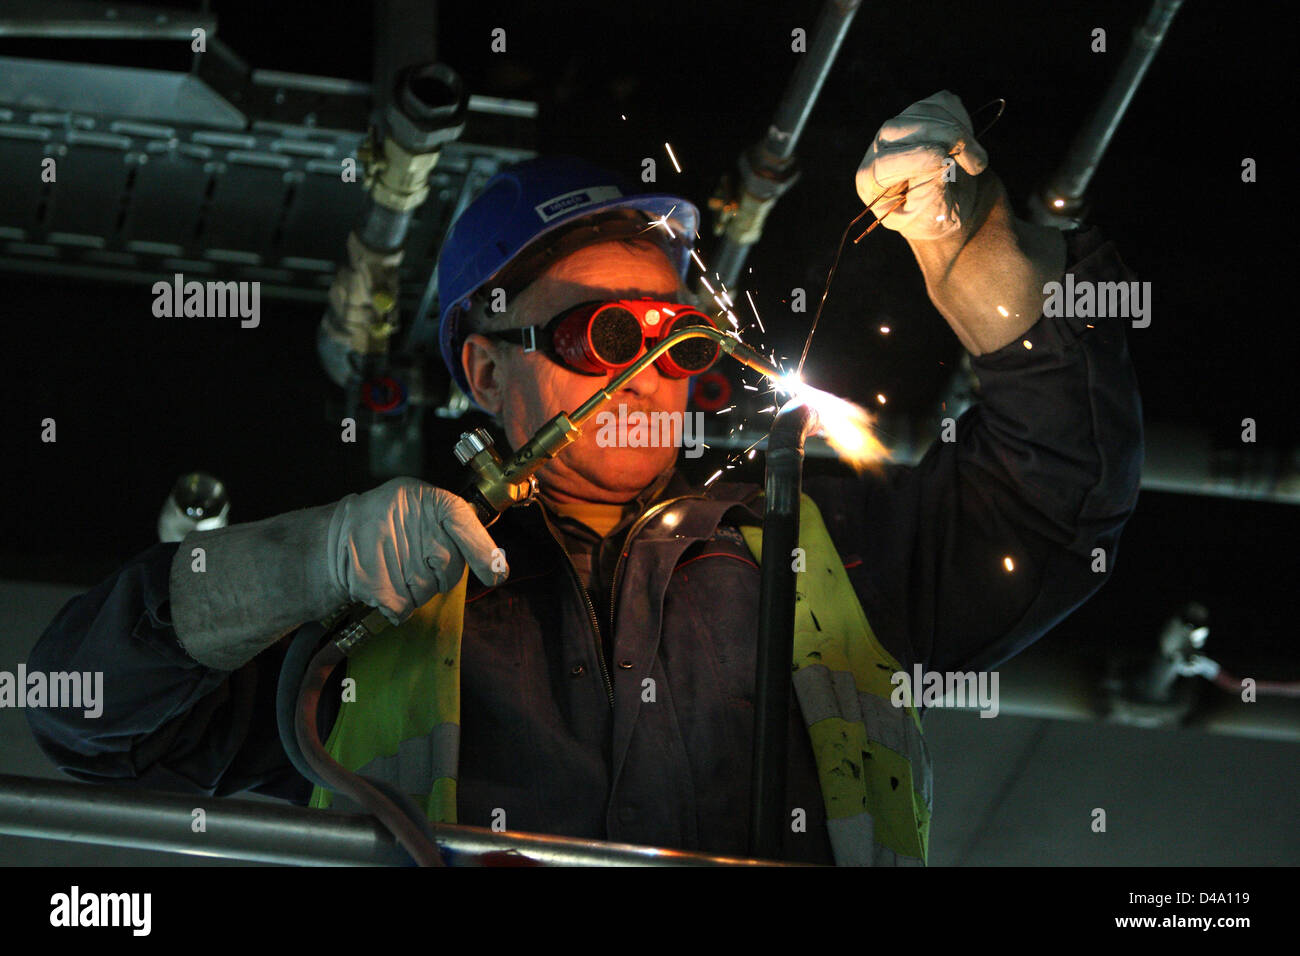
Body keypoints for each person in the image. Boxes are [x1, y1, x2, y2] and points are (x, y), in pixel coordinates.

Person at [27, 91, 1143, 866]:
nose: (652, 370)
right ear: (483, 366)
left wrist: (976, 248)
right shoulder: (372, 615)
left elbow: (1059, 497)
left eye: (678, 335)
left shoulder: (819, 553)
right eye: (604, 335)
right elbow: (85, 711)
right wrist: (306, 560)